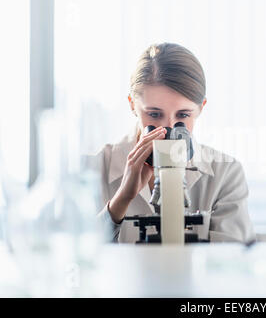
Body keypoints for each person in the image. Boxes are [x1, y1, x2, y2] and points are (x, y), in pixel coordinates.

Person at [93, 42, 255, 243]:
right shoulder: (94, 169)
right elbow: (76, 260)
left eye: (183, 115)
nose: (167, 129)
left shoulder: (226, 174)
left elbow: (231, 262)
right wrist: (121, 200)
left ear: (201, 108)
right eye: (153, 114)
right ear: (132, 105)